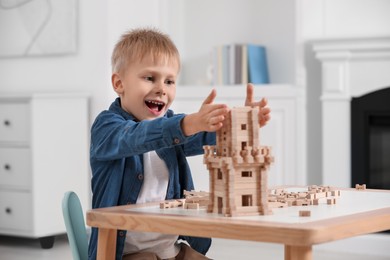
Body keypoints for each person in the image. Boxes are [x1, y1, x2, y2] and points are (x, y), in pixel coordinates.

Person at [88, 27, 271, 260]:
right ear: (119, 83)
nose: (161, 89)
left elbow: (201, 136)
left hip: (170, 250)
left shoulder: (171, 126)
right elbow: (134, 137)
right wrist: (188, 123)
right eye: (149, 78)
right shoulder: (107, 127)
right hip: (124, 253)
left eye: (170, 81)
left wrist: (239, 123)